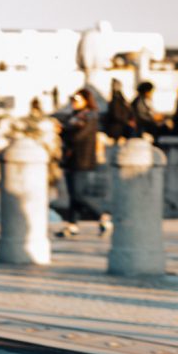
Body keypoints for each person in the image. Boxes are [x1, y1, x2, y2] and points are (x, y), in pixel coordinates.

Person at [55, 89, 112, 238]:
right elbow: (70, 134)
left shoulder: (90, 116)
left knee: (79, 195)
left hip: (82, 159)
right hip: (70, 159)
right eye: (72, 99)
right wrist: (63, 131)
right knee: (73, 195)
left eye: (77, 99)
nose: (74, 102)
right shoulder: (74, 116)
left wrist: (63, 131)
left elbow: (78, 137)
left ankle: (103, 216)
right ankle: (72, 225)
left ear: (86, 100)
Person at [105, 79, 134, 143]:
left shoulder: (120, 98)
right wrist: (127, 122)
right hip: (118, 129)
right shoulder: (115, 100)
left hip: (123, 127)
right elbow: (116, 115)